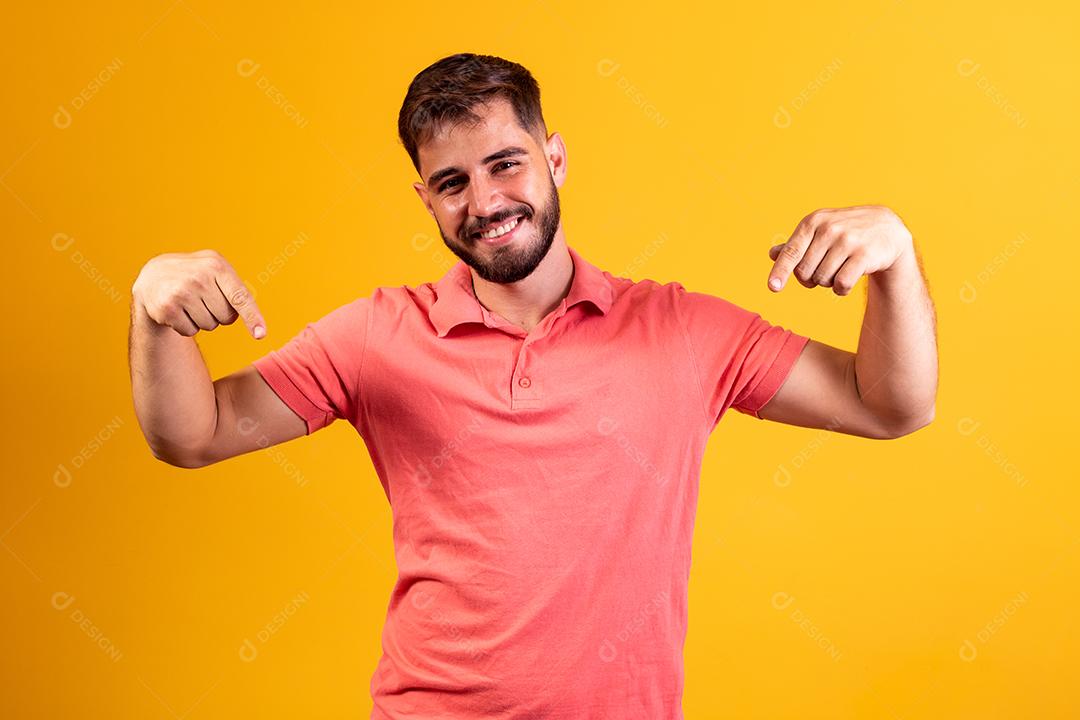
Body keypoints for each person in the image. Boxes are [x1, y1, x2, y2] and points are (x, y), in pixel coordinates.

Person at [128, 53, 937, 719]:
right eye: (452, 183)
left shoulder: (681, 330)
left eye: (505, 164)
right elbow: (194, 435)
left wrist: (895, 262)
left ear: (555, 158)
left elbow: (889, 405)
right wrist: (154, 312)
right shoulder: (378, 335)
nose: (484, 203)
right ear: (425, 198)